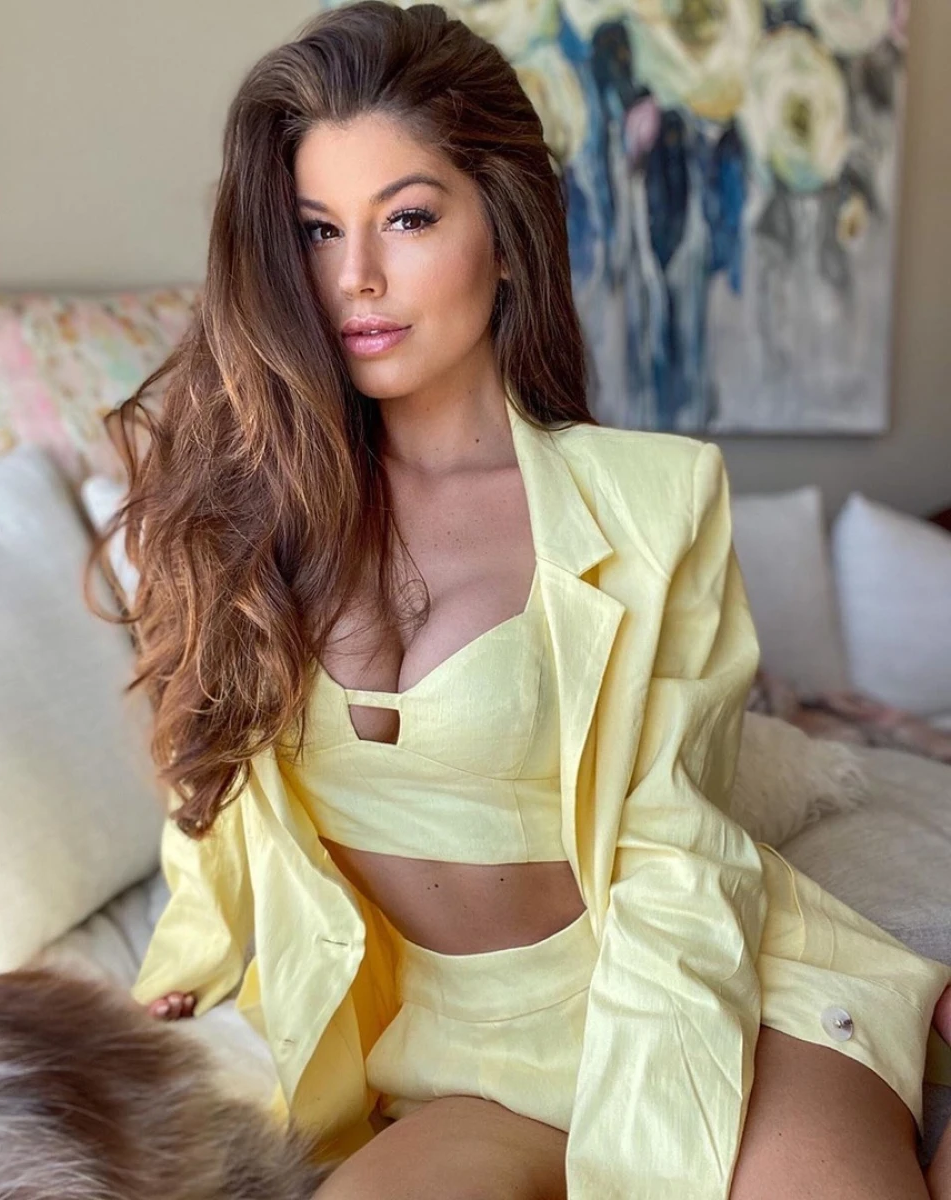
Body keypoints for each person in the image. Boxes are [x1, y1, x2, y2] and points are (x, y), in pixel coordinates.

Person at [93, 3, 951, 1196]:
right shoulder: (243, 518)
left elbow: (671, 855)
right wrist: (185, 959)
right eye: (317, 230)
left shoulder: (654, 503)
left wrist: (641, 1165)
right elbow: (217, 776)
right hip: (457, 1054)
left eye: (408, 217)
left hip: (713, 999)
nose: (356, 277)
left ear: (503, 234)